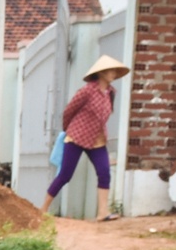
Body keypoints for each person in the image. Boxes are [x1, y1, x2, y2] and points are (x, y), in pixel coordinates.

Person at [42, 55, 129, 222]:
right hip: (78, 136)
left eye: (114, 71)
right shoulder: (87, 91)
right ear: (101, 73)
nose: (113, 74)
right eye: (110, 71)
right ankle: (43, 209)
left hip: (97, 139)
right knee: (65, 175)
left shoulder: (111, 93)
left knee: (104, 172)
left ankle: (102, 212)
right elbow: (69, 111)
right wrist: (68, 130)